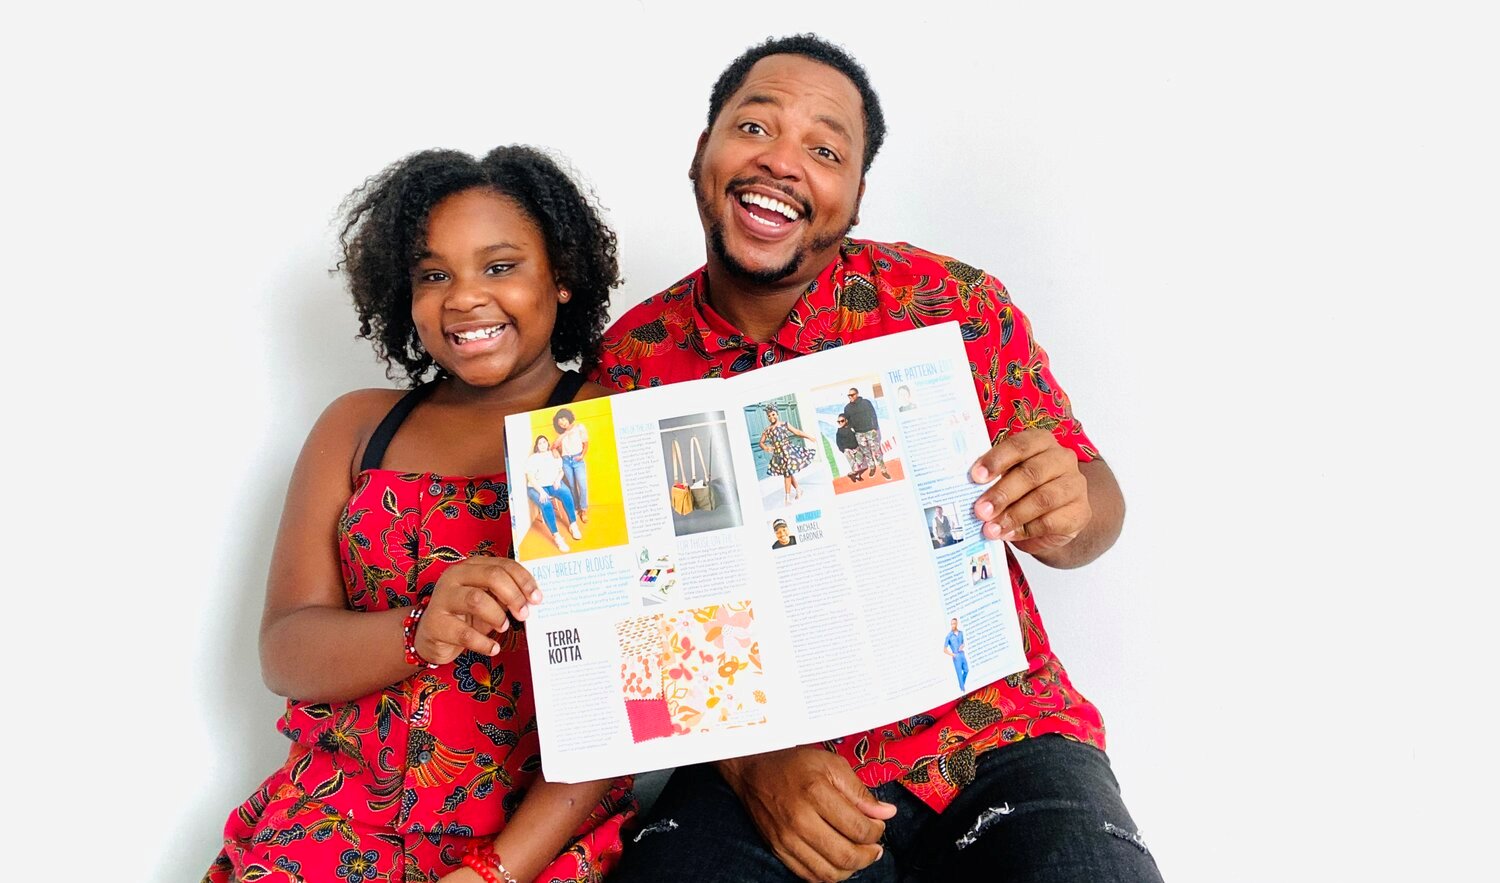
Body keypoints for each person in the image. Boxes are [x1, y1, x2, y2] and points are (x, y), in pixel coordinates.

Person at [593, 34, 1149, 883]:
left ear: (853, 198)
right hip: (761, 756)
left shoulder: (953, 305)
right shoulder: (629, 363)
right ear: (703, 152)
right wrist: (752, 762)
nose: (782, 162)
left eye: (824, 149)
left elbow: (1092, 501)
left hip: (998, 730)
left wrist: (1071, 509)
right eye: (754, 127)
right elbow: (620, 615)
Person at [205, 146, 634, 883]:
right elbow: (285, 649)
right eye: (435, 274)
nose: (464, 297)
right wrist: (419, 629)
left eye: (499, 266)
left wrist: (491, 874)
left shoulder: (602, 427)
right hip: (334, 818)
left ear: (561, 278)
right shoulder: (358, 427)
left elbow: (627, 707)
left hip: (522, 836)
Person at [527, 432, 583, 551]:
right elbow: (531, 478)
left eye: (544, 441)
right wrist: (541, 492)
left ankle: (573, 524)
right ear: (537, 446)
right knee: (546, 503)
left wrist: (558, 480)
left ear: (547, 443)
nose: (542, 444)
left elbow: (561, 471)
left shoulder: (554, 454)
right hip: (536, 487)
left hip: (553, 484)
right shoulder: (533, 458)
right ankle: (557, 537)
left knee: (566, 493)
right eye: (539, 443)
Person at [759, 404, 817, 504]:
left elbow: (797, 432)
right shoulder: (767, 430)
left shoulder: (784, 424)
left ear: (777, 414)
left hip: (788, 452)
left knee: (787, 474)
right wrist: (766, 448)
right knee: (788, 473)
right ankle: (798, 490)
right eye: (769, 415)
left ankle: (787, 498)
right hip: (779, 455)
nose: (771, 417)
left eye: (773, 414)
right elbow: (761, 442)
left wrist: (809, 437)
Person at [551, 406, 591, 523]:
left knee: (582, 485)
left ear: (568, 417)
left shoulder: (579, 427)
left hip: (577, 460)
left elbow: (586, 444)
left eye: (563, 419)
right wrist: (565, 434)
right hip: (566, 461)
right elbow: (553, 446)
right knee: (572, 486)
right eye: (560, 423)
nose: (562, 423)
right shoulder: (562, 434)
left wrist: (582, 456)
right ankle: (577, 507)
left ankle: (583, 510)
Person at [842, 386, 890, 479]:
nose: (850, 397)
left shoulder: (866, 403)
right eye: (849, 395)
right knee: (866, 453)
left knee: (877, 452)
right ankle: (872, 467)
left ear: (857, 394)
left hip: (870, 431)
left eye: (852, 395)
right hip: (859, 434)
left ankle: (883, 469)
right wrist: (853, 429)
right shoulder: (847, 408)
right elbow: (847, 421)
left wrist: (874, 428)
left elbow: (873, 415)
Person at [834, 413, 864, 482]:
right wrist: (844, 450)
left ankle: (851, 474)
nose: (840, 423)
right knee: (853, 463)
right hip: (847, 450)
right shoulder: (839, 431)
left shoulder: (852, 427)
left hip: (856, 448)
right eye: (838, 422)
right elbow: (838, 442)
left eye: (842, 421)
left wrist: (859, 445)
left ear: (846, 420)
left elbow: (857, 435)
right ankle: (857, 476)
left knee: (860, 461)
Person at [943, 618, 968, 691]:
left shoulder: (961, 633)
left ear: (957, 623)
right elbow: (944, 649)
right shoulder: (949, 636)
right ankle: (963, 689)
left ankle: (962, 685)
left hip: (962, 654)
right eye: (952, 624)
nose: (953, 625)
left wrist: (963, 645)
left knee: (966, 670)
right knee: (959, 673)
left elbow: (963, 643)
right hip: (956, 656)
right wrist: (952, 655)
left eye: (954, 623)